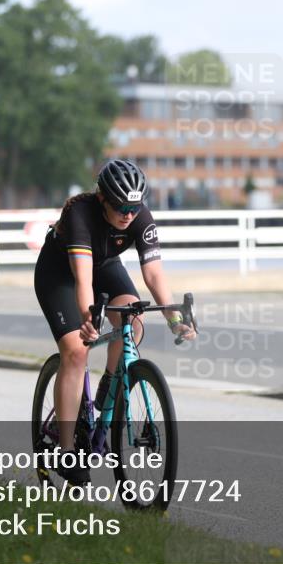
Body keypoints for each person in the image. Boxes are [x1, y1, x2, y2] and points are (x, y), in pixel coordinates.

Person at [34, 159, 195, 484]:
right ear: (103, 199)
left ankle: (108, 386)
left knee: (132, 322)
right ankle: (66, 450)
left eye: (134, 207)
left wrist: (174, 319)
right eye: (121, 206)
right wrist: (87, 320)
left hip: (103, 266)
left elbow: (153, 274)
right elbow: (82, 281)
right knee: (77, 351)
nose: (128, 214)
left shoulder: (141, 217)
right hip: (60, 275)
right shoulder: (81, 215)